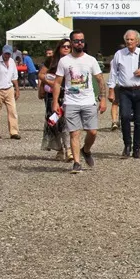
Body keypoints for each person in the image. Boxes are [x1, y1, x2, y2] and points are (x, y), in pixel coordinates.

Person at [51, 30, 108, 174]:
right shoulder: (64, 61)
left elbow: (100, 80)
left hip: (89, 101)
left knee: (93, 132)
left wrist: (103, 99)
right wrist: (55, 101)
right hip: (71, 101)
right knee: (74, 133)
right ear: (71, 42)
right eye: (76, 41)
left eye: (82, 40)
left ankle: (86, 150)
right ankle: (76, 163)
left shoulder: (91, 60)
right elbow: (57, 82)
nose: (79, 43)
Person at [107, 30, 140, 160]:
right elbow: (114, 73)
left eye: (131, 39)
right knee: (125, 116)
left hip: (139, 90)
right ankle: (127, 144)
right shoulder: (119, 54)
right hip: (125, 90)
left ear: (137, 41)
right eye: (127, 39)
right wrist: (111, 89)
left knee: (139, 121)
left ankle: (137, 148)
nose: (129, 42)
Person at [39, 38, 72, 161]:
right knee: (54, 123)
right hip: (51, 97)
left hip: (68, 96)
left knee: (67, 123)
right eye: (64, 46)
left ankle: (69, 150)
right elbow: (41, 74)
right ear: (59, 47)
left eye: (68, 46)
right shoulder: (52, 60)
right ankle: (59, 150)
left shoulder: (73, 60)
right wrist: (50, 82)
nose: (66, 48)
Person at [0, 45, 21, 140]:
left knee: (12, 111)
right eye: (6, 53)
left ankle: (14, 132)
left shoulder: (12, 62)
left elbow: (15, 77)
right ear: (2, 52)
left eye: (9, 54)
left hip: (9, 89)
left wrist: (17, 89)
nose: (7, 55)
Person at [108, 44, 125, 131]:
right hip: (124, 83)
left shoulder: (113, 61)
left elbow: (112, 74)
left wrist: (110, 87)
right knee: (127, 102)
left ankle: (114, 121)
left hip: (116, 83)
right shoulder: (127, 59)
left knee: (115, 103)